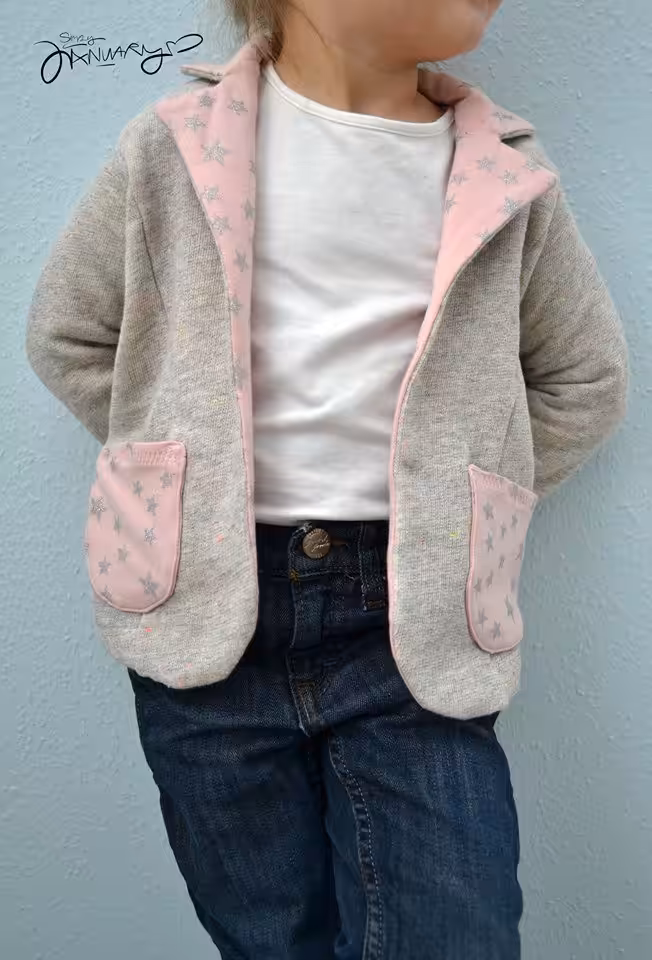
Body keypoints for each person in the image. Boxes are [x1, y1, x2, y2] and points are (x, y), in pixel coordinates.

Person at [24, 0, 629, 957]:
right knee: (270, 935)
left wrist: (460, 512)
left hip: (415, 633)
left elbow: (584, 378)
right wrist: (187, 477)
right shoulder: (174, 147)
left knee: (457, 932)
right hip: (204, 619)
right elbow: (70, 332)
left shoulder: (505, 172)